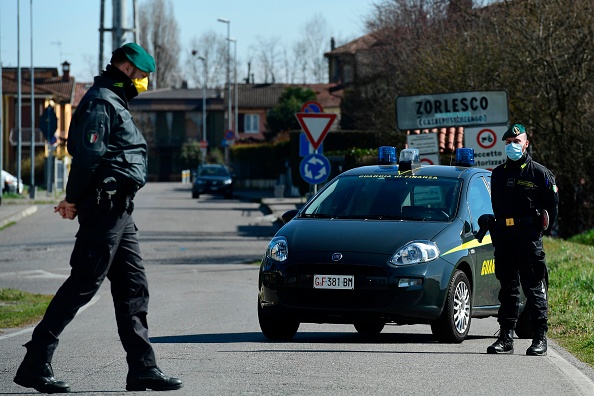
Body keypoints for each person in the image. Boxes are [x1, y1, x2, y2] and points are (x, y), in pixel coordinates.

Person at [13, 43, 183, 393]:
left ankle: (143, 369)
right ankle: (35, 362)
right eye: (143, 76)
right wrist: (72, 200)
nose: (145, 82)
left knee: (134, 288)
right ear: (126, 69)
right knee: (83, 284)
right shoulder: (101, 101)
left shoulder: (113, 101)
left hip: (120, 210)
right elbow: (88, 157)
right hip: (104, 207)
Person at [487, 123, 558, 356]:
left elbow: (552, 208)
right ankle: (506, 338)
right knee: (507, 288)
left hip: (528, 238)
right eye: (508, 143)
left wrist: (541, 229)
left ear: (526, 143)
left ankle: (540, 338)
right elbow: (496, 206)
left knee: (534, 287)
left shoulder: (539, 173)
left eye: (516, 142)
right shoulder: (497, 174)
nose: (512, 146)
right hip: (505, 238)